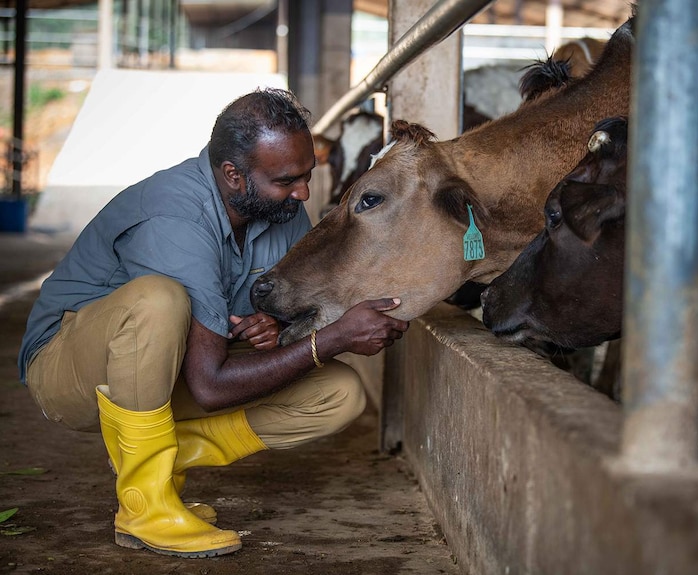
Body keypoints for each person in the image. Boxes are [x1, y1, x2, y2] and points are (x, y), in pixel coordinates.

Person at [17, 87, 410, 559]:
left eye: (307, 176)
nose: (303, 193)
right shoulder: (174, 216)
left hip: (168, 367)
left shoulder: (280, 208)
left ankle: (159, 458)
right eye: (287, 180)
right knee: (158, 299)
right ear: (233, 175)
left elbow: (283, 315)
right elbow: (209, 386)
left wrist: (271, 324)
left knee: (339, 394)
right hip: (69, 372)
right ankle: (145, 506)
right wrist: (333, 338)